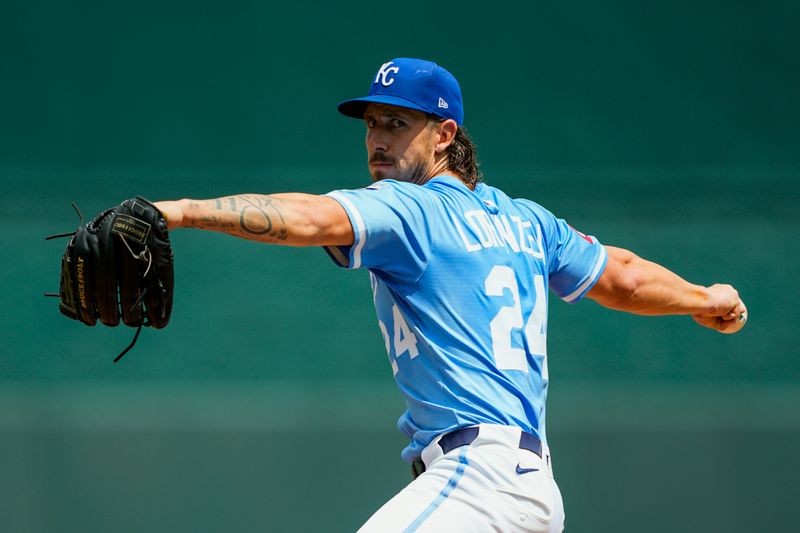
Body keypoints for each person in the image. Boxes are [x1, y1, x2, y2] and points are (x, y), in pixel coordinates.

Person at [154, 58, 747, 532]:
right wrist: (705, 297)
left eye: (396, 123)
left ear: (444, 135)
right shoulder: (527, 221)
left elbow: (311, 216)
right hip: (526, 486)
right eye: (371, 123)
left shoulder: (410, 207)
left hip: (480, 481)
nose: (377, 140)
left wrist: (174, 212)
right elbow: (624, 276)